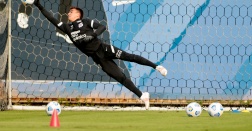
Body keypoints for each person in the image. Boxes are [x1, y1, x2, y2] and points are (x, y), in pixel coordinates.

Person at [33, 0, 167, 110]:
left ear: (78, 14)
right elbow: (51, 19)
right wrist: (38, 5)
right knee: (120, 77)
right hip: (98, 58)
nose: (69, 13)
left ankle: (157, 67)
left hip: (104, 49)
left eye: (71, 11)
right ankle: (142, 95)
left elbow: (102, 27)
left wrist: (92, 35)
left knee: (129, 56)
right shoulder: (67, 28)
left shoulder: (85, 22)